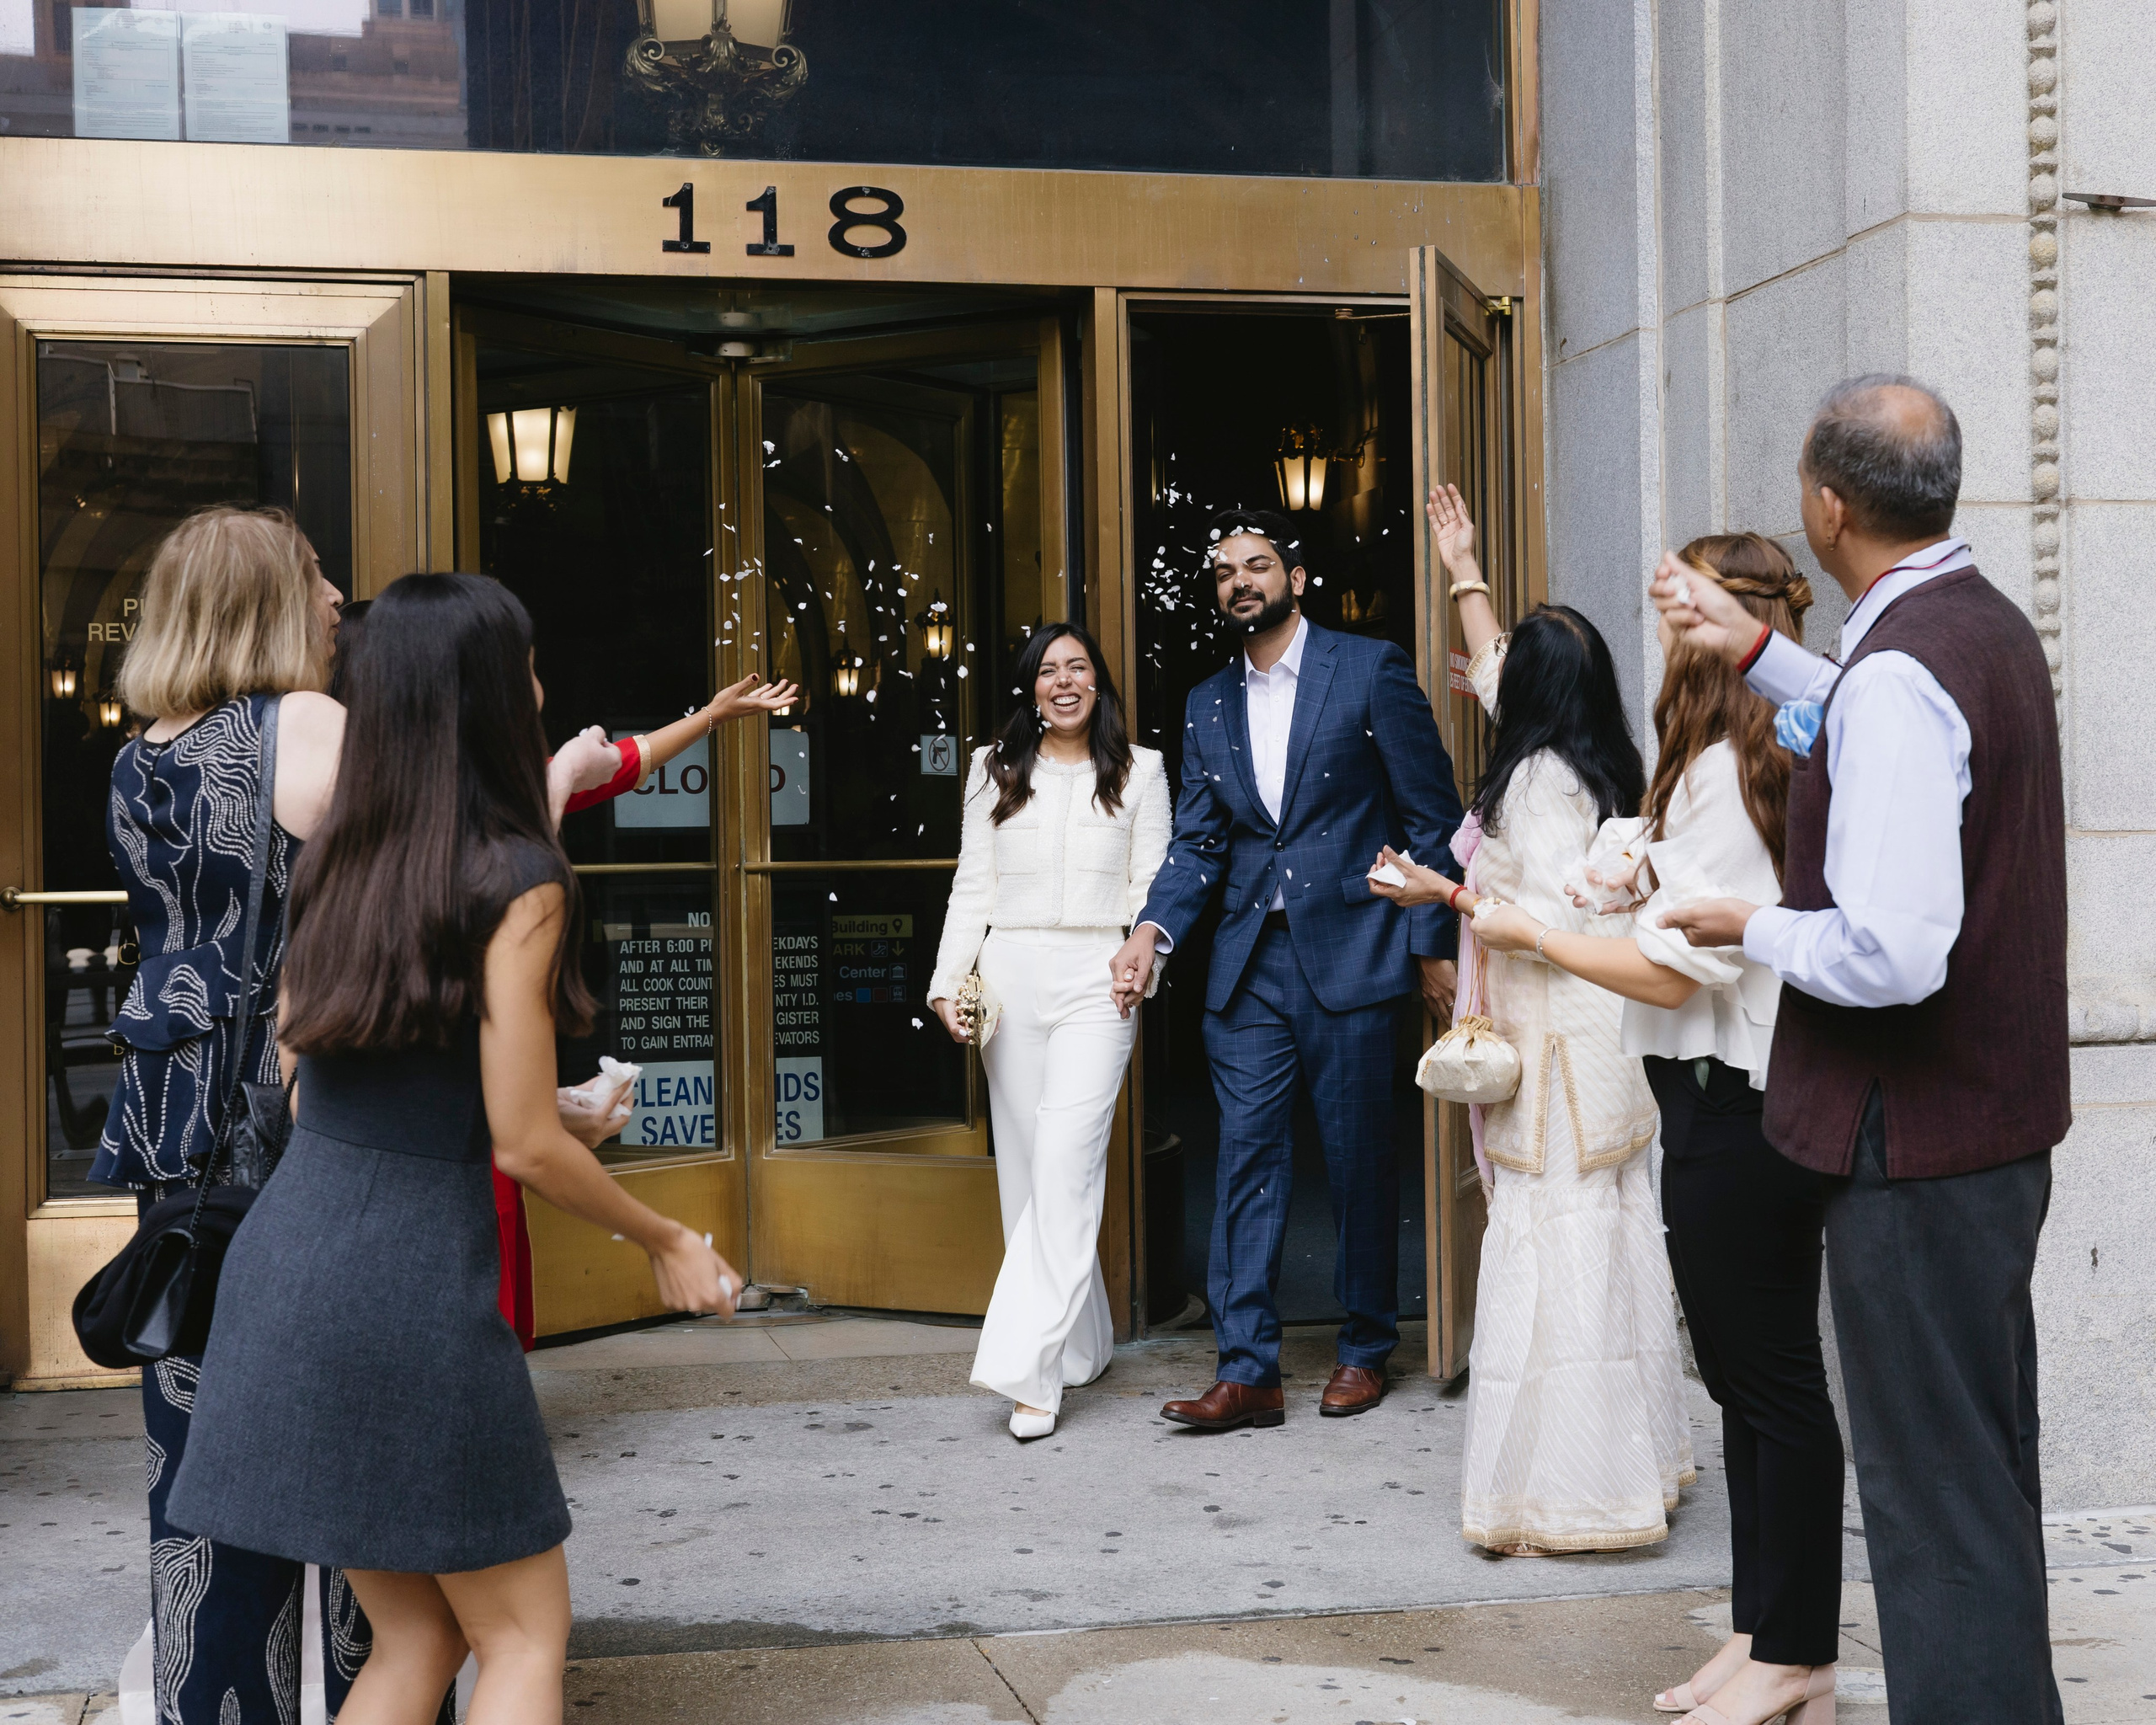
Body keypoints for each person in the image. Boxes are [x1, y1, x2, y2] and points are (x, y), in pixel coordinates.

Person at [164, 572, 739, 1725]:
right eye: (524, 665)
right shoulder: (519, 877)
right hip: (410, 1289)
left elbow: (308, 1069)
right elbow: (522, 1145)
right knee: (522, 1636)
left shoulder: (337, 854)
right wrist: (666, 1236)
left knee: (416, 1637)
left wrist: (534, 1111)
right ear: (483, 694)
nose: (540, 687)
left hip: (287, 1273)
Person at [1650, 376, 2068, 1725]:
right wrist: (1755, 651)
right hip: (1984, 1133)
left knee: (1934, 1497)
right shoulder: (1975, 624)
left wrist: (1751, 923)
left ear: (1827, 505)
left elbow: (1892, 957)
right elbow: (1880, 727)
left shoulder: (1904, 670)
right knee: (1976, 1475)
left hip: (1915, 1142)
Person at [1461, 526, 1841, 1717]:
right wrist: (1636, 874)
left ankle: (1798, 1655)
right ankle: (1762, 1635)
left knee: (1770, 1386)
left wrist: (1535, 932)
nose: (1665, 639)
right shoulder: (1730, 751)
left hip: (1736, 1095)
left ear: (1724, 631)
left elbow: (1673, 977)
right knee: (1743, 1383)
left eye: (1680, 615)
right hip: (1725, 1093)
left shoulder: (1730, 767)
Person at [1372, 488, 1691, 1555]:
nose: (1490, 677)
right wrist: (1464, 570)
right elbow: (1501, 668)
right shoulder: (1592, 761)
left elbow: (1542, 921)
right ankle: (1636, 1467)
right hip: (1601, 1051)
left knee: (1558, 1259)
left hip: (1557, 1059)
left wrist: (1444, 892)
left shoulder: (1537, 783)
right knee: (1609, 1245)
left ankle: (1571, 1495)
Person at [1108, 508, 1464, 1429]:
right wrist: (1152, 929)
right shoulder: (1205, 702)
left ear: (1295, 579)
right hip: (1246, 965)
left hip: (1354, 949)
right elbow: (1198, 842)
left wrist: (1433, 947)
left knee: (1358, 1158)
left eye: (1257, 565)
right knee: (1245, 1159)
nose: (1241, 581)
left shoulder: (1368, 668)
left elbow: (1431, 815)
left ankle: (1365, 1346)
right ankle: (1248, 1371)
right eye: (1225, 570)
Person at [91, 504, 347, 1725]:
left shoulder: (137, 757)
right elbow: (405, 901)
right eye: (316, 576)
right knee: (348, 1446)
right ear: (267, 602)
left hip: (177, 1131)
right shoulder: (307, 725)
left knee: (199, 1453)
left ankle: (223, 1706)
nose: (338, 597)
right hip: (300, 1121)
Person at [927, 623, 1168, 1439]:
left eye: (1078, 667)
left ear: (1098, 682)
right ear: (1030, 688)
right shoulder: (991, 769)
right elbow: (972, 883)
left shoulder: (1141, 771)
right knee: (1031, 1175)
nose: (1063, 681)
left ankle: (1029, 1373)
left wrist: (1142, 962)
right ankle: (1081, 1344)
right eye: (1047, 670)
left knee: (1067, 1162)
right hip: (1009, 976)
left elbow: (1149, 886)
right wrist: (947, 982)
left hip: (1098, 979)